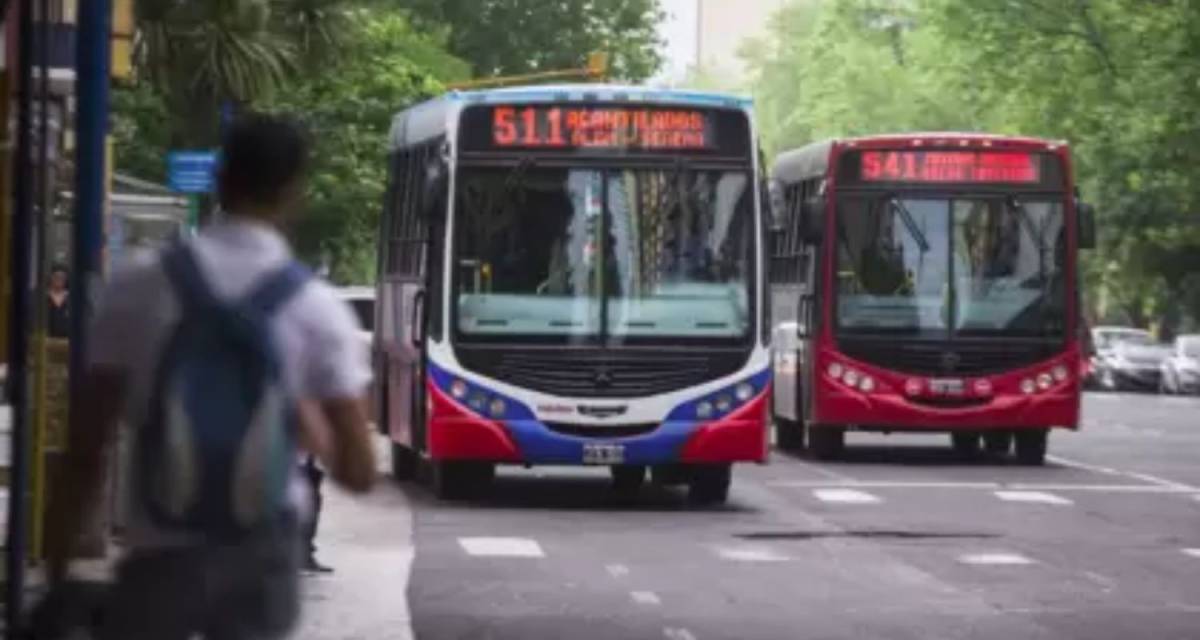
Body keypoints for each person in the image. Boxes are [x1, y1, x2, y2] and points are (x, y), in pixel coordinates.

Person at [44, 113, 378, 640]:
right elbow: (359, 471)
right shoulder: (316, 309)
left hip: (159, 551)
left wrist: (57, 572)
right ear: (295, 193)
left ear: (220, 179)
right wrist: (302, 418)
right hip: (261, 561)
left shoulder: (137, 285)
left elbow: (84, 448)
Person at [47, 264, 70, 338]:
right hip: (45, 343)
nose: (59, 279)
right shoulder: (42, 297)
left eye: (62, 277)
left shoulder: (72, 299)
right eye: (56, 276)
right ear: (51, 277)